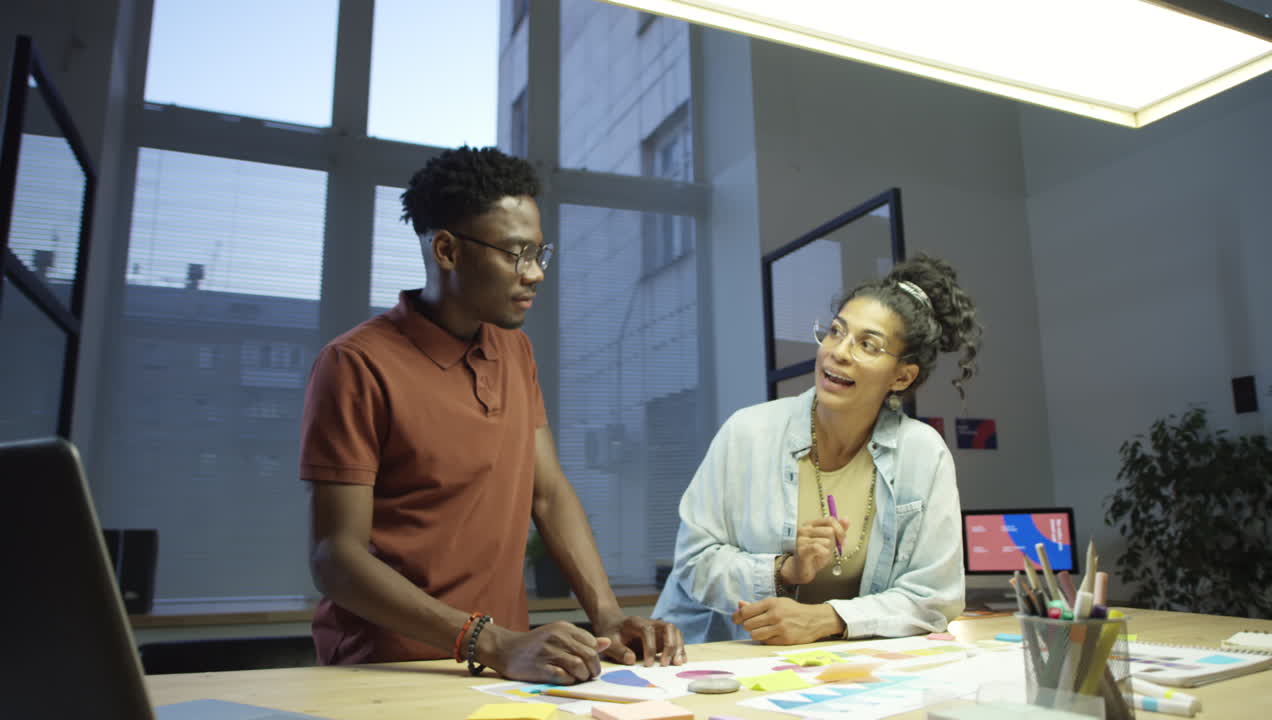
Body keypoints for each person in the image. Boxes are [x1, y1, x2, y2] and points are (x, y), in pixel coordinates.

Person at [300, 146, 684, 683]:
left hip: (501, 668)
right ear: (447, 250)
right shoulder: (354, 364)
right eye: (516, 253)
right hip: (386, 671)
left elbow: (546, 494)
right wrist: (491, 641)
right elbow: (334, 558)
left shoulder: (514, 352)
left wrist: (609, 614)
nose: (535, 274)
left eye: (539, 253)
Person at [653, 253, 981, 644]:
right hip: (729, 660)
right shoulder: (748, 432)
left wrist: (827, 619)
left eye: (868, 345)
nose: (839, 352)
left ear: (902, 376)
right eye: (836, 332)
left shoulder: (923, 454)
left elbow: (935, 598)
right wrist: (784, 571)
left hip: (849, 674)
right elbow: (693, 564)